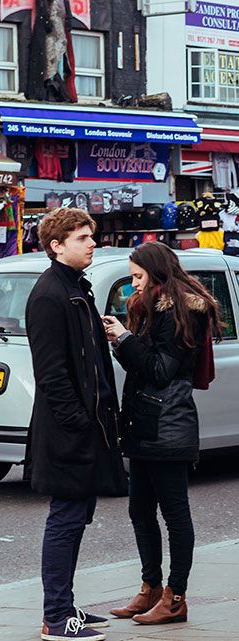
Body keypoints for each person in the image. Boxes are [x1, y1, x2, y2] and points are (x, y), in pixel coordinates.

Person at [104, 242, 221, 626]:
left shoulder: (184, 311)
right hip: (144, 425)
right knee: (139, 510)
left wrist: (123, 338)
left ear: (156, 273)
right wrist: (122, 340)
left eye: (138, 277)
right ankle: (151, 587)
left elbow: (158, 370)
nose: (133, 284)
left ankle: (176, 597)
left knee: (175, 515)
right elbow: (142, 365)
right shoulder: (148, 308)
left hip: (168, 428)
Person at [25, 207, 127, 641]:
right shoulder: (50, 295)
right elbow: (51, 375)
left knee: (77, 515)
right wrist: (79, 424)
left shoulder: (75, 289)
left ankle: (66, 609)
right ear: (57, 245)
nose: (92, 243)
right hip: (70, 432)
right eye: (83, 237)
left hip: (87, 428)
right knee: (65, 518)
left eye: (92, 235)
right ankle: (56, 617)